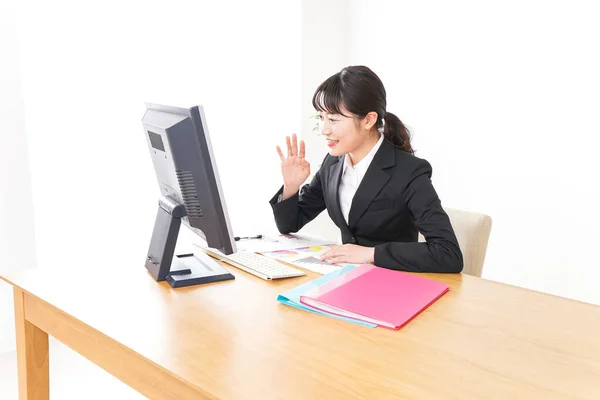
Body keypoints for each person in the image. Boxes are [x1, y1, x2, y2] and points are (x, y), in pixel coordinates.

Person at [269, 66, 463, 273]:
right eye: (321, 118)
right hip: (345, 277)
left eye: (333, 119)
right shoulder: (333, 163)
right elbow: (289, 225)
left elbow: (448, 253)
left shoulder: (410, 171)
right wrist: (291, 186)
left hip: (393, 282)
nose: (324, 129)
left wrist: (370, 254)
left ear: (368, 120)